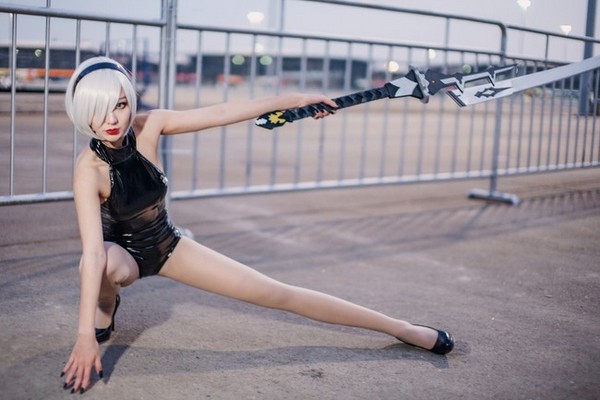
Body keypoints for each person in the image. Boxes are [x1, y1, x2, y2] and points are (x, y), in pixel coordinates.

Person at [60, 56, 454, 393]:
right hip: (120, 257)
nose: (111, 119)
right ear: (81, 111)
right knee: (101, 264)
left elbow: (223, 112)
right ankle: (105, 310)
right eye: (98, 108)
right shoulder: (88, 170)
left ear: (131, 100)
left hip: (167, 244)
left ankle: (401, 328)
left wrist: (297, 100)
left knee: (278, 293)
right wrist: (83, 337)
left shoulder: (150, 125)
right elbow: (93, 254)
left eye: (120, 104)